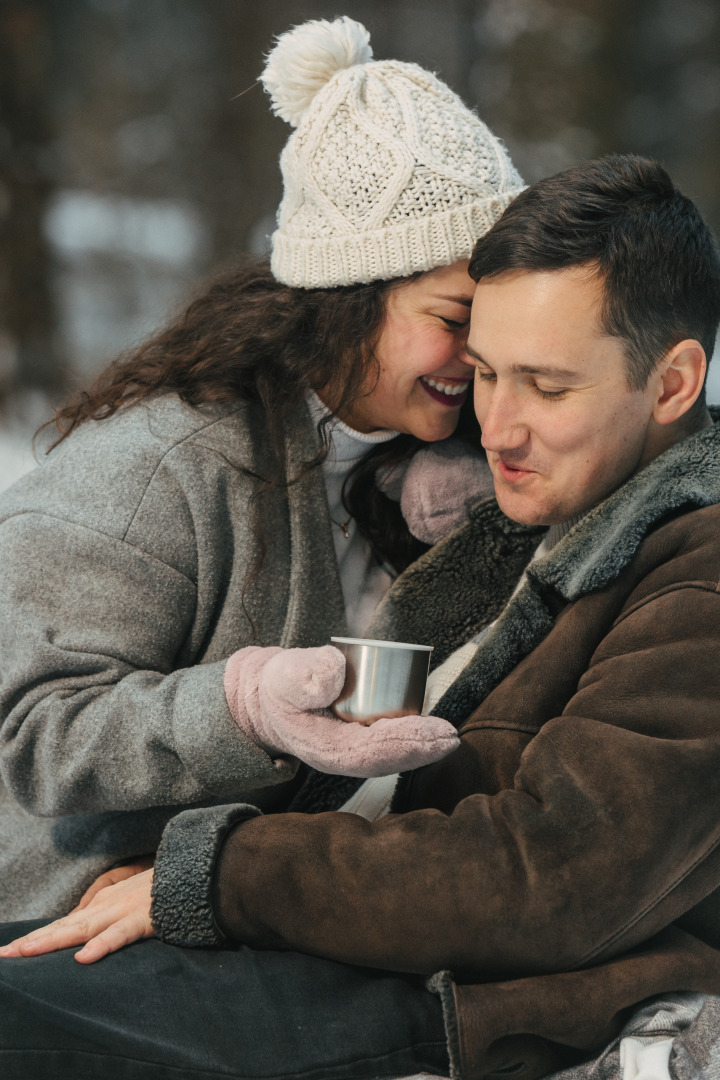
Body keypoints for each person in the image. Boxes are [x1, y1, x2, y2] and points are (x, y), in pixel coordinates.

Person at [4, 153, 720, 1080]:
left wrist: (221, 874)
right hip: (360, 934)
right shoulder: (519, 509)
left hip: (459, 994)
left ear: (671, 385)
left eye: (546, 387)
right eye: (486, 371)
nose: (497, 424)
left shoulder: (694, 568)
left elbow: (552, 874)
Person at [0, 16, 523, 920]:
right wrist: (240, 707)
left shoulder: (442, 459)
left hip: (274, 901)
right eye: (454, 315)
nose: (482, 354)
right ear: (348, 296)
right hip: (73, 913)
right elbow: (36, 732)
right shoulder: (161, 468)